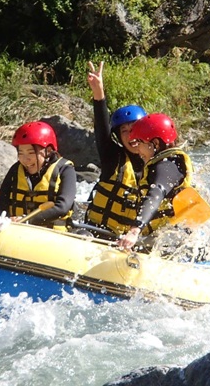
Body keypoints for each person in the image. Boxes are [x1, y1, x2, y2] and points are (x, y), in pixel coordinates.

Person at [83, 60, 147, 236]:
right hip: (95, 232)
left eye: (133, 129)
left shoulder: (157, 166)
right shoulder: (113, 157)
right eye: (124, 131)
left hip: (128, 241)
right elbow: (101, 129)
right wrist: (98, 93)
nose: (129, 135)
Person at [117, 113, 195, 251]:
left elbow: (156, 194)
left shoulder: (167, 166)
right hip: (163, 236)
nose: (137, 149)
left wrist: (135, 231)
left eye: (139, 142)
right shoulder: (164, 163)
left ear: (156, 144)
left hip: (174, 240)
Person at [0, 121, 76, 227]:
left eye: (31, 153)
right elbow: (0, 204)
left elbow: (63, 207)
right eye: (21, 153)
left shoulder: (65, 169)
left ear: (48, 151)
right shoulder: (15, 170)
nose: (25, 159)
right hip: (18, 233)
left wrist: (27, 220)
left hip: (53, 234)